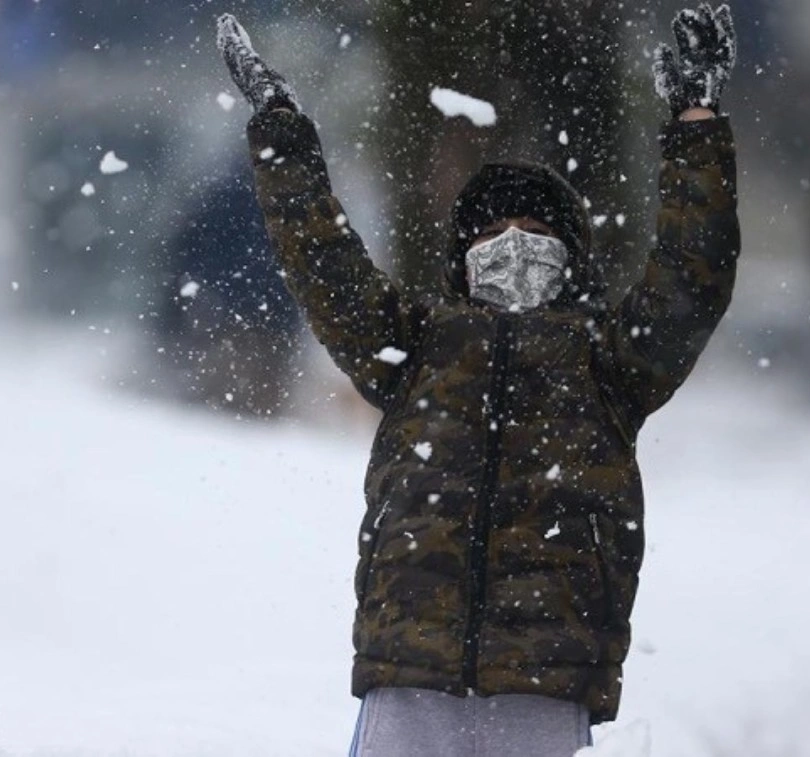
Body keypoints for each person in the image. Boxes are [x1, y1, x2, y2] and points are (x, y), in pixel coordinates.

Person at [217, 4, 740, 755]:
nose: (513, 245)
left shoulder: (609, 361)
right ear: (461, 259)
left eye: (536, 232)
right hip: (412, 671)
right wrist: (281, 134)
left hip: (546, 677)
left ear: (573, 257)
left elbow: (694, 276)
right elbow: (325, 265)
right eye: (492, 233)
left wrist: (695, 122)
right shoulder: (414, 344)